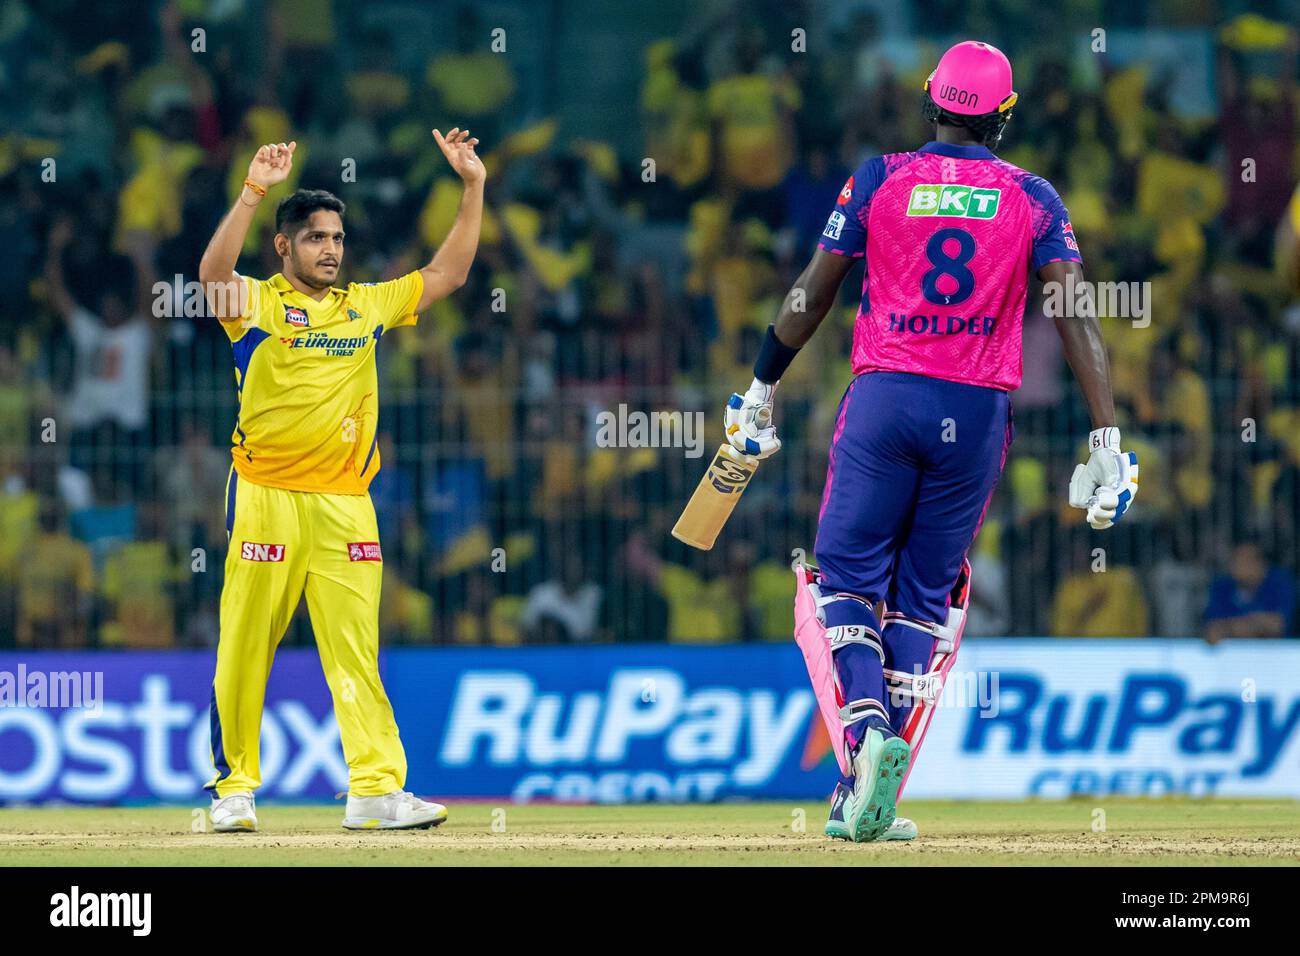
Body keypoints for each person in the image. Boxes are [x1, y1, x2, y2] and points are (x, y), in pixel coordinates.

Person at [723, 42, 1139, 842]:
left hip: (887, 399)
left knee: (842, 581)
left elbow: (813, 291)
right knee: (923, 601)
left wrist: (763, 384)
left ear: (931, 105)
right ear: (1004, 118)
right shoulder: (1035, 196)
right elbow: (1076, 315)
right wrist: (1107, 439)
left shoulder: (881, 177)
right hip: (977, 416)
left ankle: (865, 734)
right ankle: (861, 793)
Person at [197, 129, 484, 832]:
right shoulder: (256, 305)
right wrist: (252, 191)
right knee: (245, 642)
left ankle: (376, 790)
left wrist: (473, 186)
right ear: (284, 248)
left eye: (337, 237)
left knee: (355, 647)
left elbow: (447, 276)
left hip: (347, 504)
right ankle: (234, 789)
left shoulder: (367, 306)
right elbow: (209, 274)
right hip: (266, 495)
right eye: (316, 238)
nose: (331, 248)